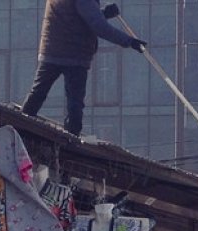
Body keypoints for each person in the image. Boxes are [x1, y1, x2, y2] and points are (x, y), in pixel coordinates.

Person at [21, 0, 147, 136]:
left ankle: (20, 125)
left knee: (38, 93)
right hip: (75, 55)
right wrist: (130, 41)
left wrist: (103, 13)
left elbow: (74, 18)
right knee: (75, 103)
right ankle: (71, 140)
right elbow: (98, 26)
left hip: (51, 51)